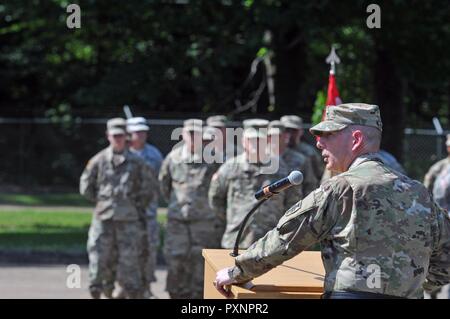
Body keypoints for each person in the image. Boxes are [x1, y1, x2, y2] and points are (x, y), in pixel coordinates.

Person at [214, 103, 450, 299]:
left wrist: (238, 271)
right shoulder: (419, 192)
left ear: (356, 139)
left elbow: (286, 239)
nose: (318, 143)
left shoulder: (340, 188)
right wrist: (409, 283)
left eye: (328, 135)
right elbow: (446, 261)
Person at [80, 118, 157, 299]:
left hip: (129, 223)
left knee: (129, 266)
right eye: (114, 136)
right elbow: (85, 187)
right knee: (100, 262)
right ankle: (101, 293)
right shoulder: (98, 161)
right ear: (108, 136)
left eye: (121, 136)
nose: (118, 139)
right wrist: (103, 202)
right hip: (103, 220)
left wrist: (133, 207)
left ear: (127, 137)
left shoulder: (138, 163)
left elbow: (148, 190)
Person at [208, 119, 302, 250]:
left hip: (271, 243)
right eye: (251, 139)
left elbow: (293, 201)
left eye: (260, 140)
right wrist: (234, 219)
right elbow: (216, 199)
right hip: (236, 241)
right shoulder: (230, 167)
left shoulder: (281, 168)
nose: (256, 144)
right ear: (243, 141)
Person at [158, 119, 221, 299]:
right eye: (190, 133)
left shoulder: (213, 159)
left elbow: (220, 188)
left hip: (204, 223)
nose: (193, 137)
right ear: (183, 135)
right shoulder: (173, 158)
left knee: (201, 266)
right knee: (175, 262)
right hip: (177, 223)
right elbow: (164, 186)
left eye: (197, 134)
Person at [126, 116, 163, 297]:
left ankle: (146, 288)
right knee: (125, 253)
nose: (140, 135)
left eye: (143, 132)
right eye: (136, 132)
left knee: (148, 251)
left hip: (148, 213)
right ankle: (125, 289)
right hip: (125, 215)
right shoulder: (120, 153)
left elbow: (162, 182)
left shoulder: (154, 155)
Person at [267, 120, 317, 196]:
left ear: (285, 136)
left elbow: (310, 185)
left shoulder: (300, 159)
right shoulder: (262, 160)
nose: (274, 139)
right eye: (271, 136)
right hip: (271, 205)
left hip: (295, 205)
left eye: (278, 136)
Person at [281, 115, 324, 183]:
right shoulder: (273, 152)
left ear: (301, 132)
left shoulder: (309, 152)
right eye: (287, 130)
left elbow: (319, 174)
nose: (290, 134)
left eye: (294, 130)